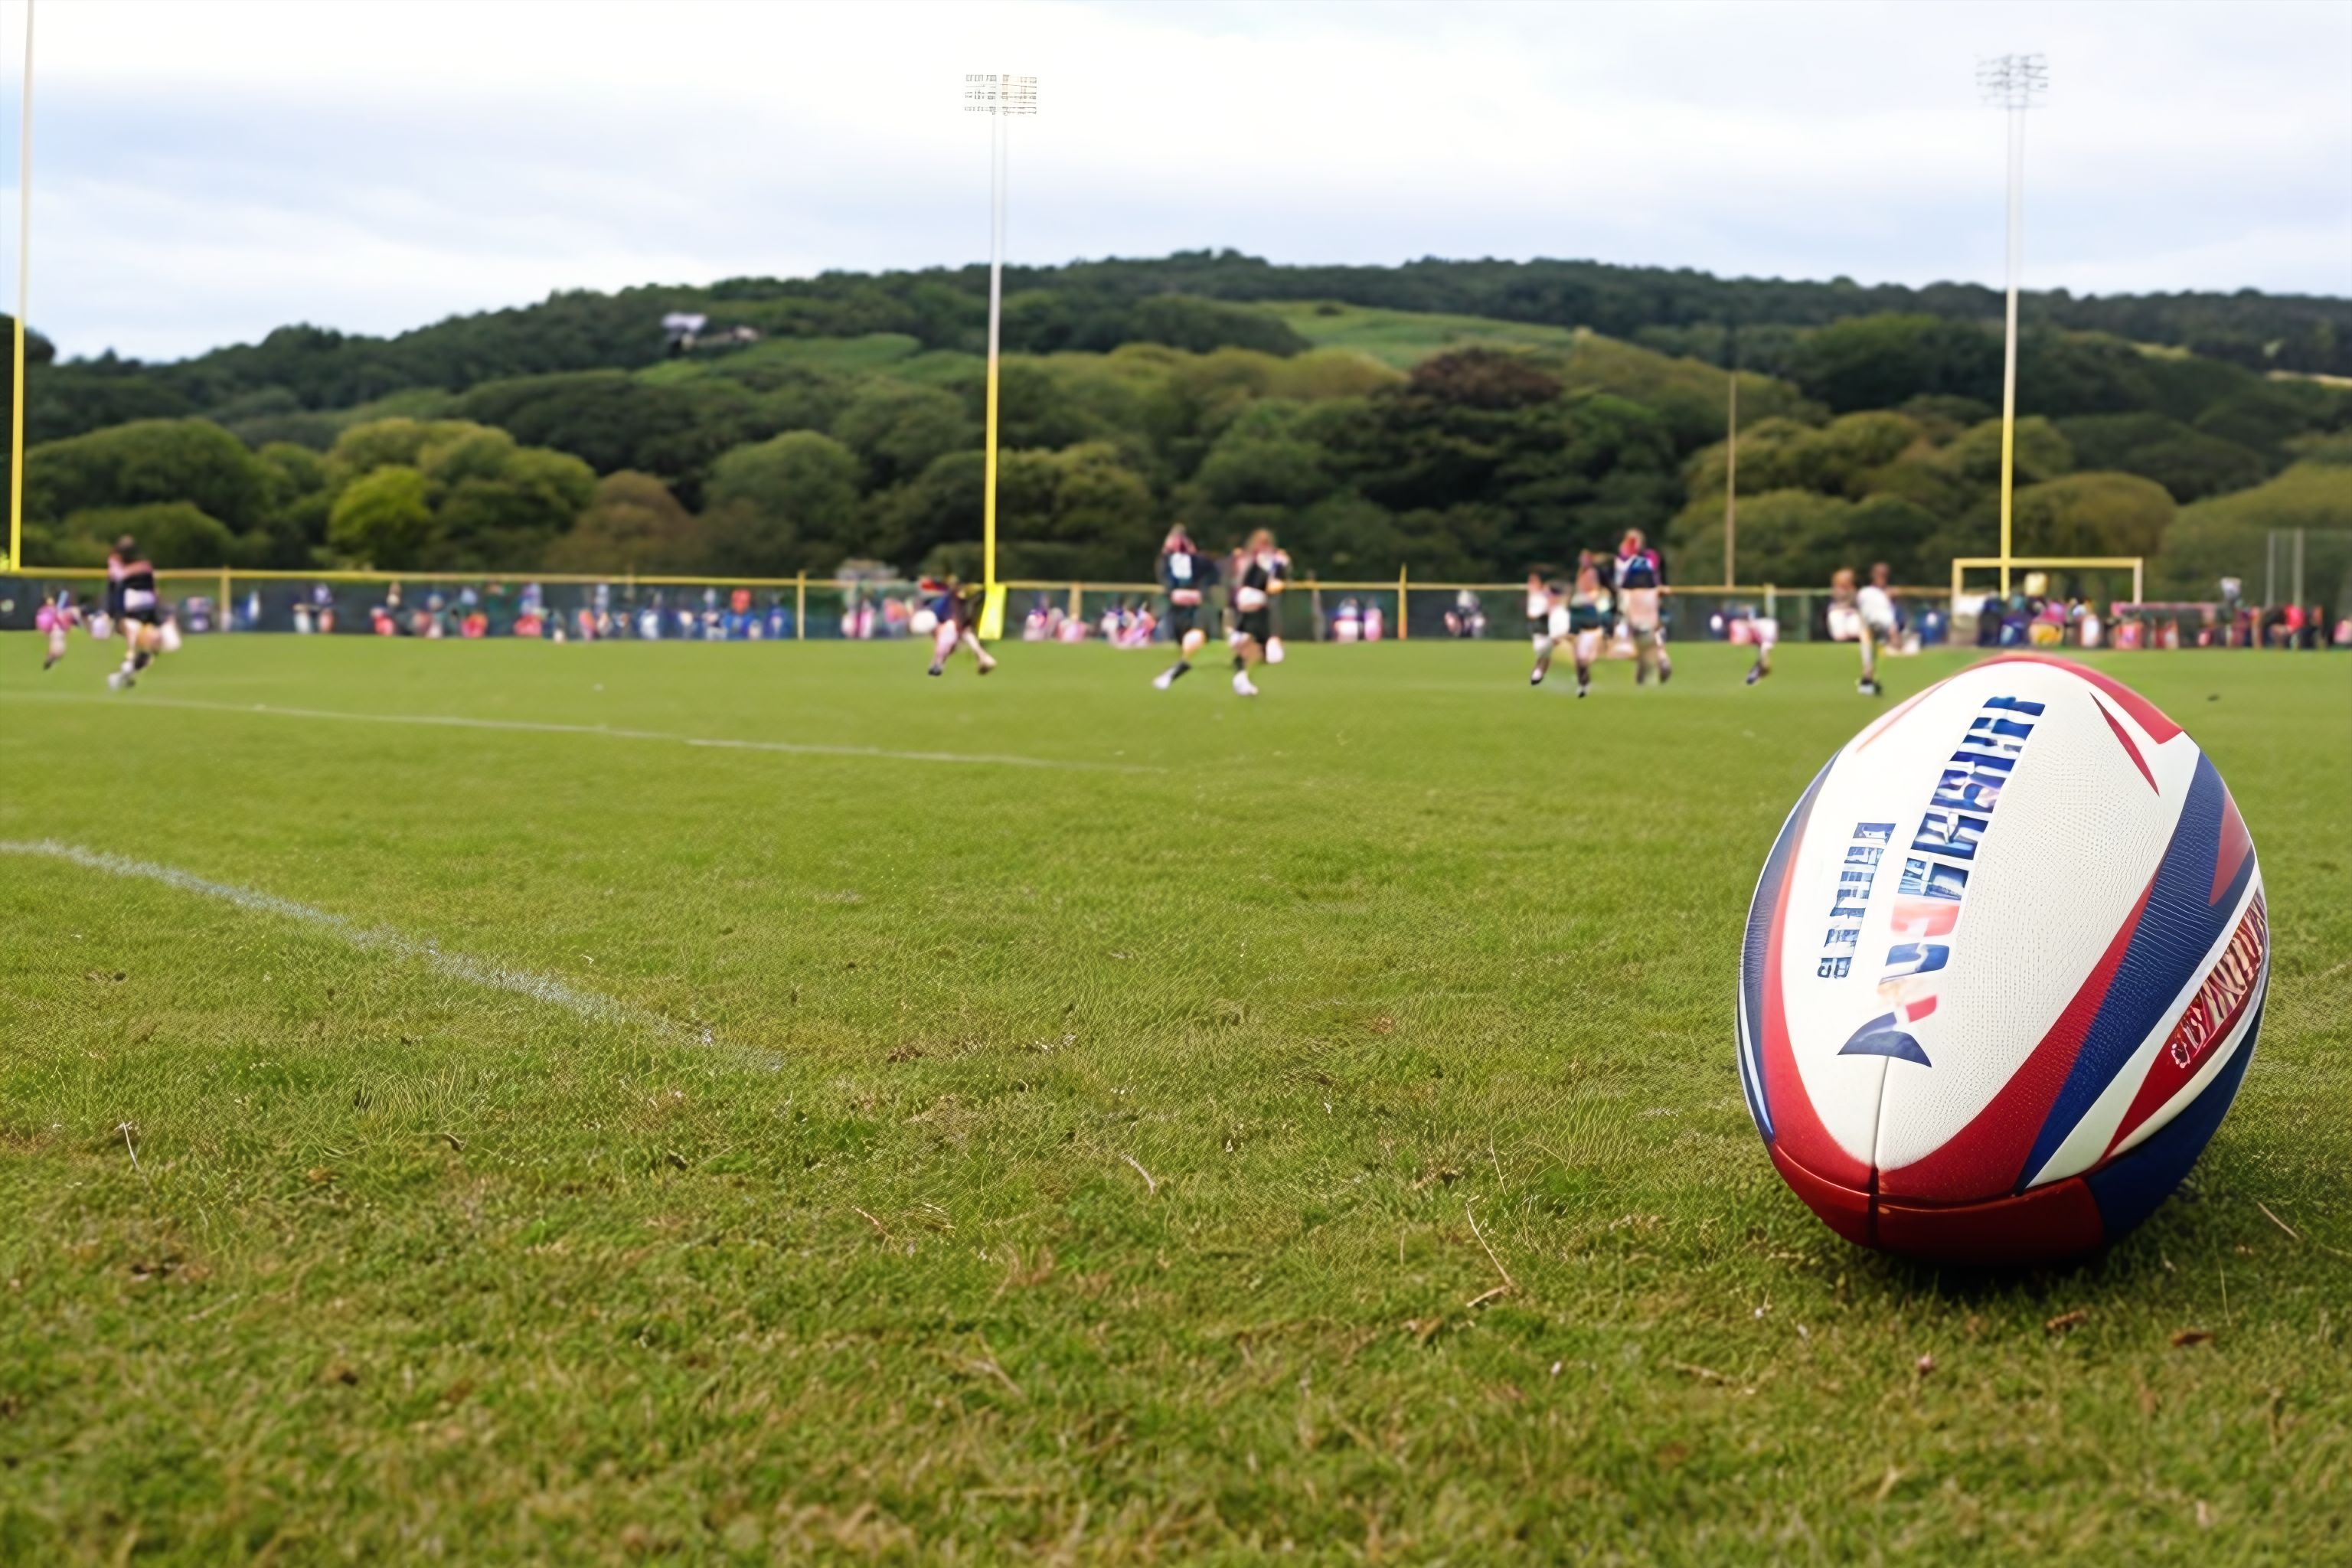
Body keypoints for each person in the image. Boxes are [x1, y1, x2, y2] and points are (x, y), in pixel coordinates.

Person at [1152, 525, 1222, 689]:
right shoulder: (1166, 561)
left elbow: (1213, 574)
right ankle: (1177, 670)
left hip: (1197, 610)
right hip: (1177, 611)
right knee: (1189, 649)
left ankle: (1172, 674)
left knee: (1195, 642)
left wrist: (1200, 593)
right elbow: (1165, 578)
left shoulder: (1199, 562)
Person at [1227, 528, 1288, 697]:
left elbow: (1276, 582)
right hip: (1252, 599)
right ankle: (1241, 675)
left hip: (1255, 601)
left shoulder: (1268, 560)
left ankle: (1242, 676)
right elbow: (1270, 584)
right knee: (1254, 642)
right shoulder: (1257, 560)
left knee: (1257, 645)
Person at [1612, 529, 1671, 686]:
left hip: (1641, 594)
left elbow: (1652, 571)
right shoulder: (1625, 558)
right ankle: (1647, 665)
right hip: (1638, 594)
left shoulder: (1648, 556)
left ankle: (1657, 661)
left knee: (1646, 631)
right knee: (1642, 634)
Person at [104, 535, 164, 691]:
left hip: (140, 606)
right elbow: (116, 591)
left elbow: (152, 589)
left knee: (146, 649)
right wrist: (116, 614)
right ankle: (123, 673)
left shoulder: (137, 566)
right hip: (135, 607)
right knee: (137, 645)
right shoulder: (121, 566)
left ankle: (123, 675)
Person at [921, 575, 997, 678]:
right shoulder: (951, 599)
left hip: (954, 625)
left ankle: (983, 659)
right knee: (950, 643)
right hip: (951, 625)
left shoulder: (957, 600)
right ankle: (937, 664)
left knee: (953, 642)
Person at [1855, 561, 1900, 695]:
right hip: (1872, 626)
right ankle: (1867, 678)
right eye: (1879, 574)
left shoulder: (1888, 594)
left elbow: (1889, 613)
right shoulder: (1866, 592)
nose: (1882, 577)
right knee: (1867, 639)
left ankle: (1870, 679)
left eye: (1884, 574)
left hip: (1885, 628)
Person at [1525, 568, 1558, 686]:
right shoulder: (1533, 595)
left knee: (1545, 653)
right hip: (1537, 628)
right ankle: (1538, 673)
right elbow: (1530, 614)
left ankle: (1537, 675)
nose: (1531, 584)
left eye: (1533, 581)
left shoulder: (1546, 594)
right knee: (1541, 652)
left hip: (1547, 627)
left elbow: (1552, 607)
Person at [36, 591, 81, 671]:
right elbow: (46, 622)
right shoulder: (45, 611)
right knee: (58, 649)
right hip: (56, 630)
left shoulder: (50, 610)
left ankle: (50, 660)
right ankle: (50, 660)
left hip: (56, 629)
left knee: (60, 651)